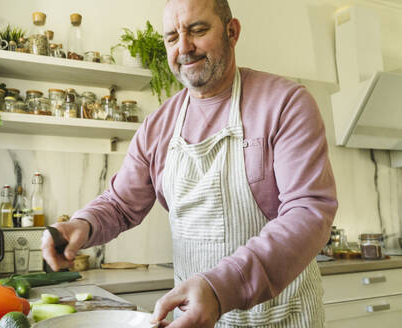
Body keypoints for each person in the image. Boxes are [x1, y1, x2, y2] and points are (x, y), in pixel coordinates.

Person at [41, 0, 338, 327]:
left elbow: (309, 212)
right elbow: (120, 203)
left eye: (198, 30)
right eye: (171, 37)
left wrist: (219, 288)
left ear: (232, 32)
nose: (184, 47)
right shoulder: (158, 125)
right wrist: (82, 224)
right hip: (193, 319)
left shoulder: (285, 103)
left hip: (282, 316)